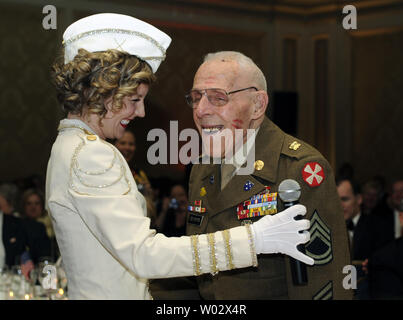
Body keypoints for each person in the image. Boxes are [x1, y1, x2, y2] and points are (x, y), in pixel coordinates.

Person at [46, 13, 313, 299]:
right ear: (103, 92)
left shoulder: (67, 146)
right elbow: (144, 255)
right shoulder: (92, 154)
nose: (141, 112)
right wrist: (254, 239)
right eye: (135, 99)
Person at [182, 51, 352, 299]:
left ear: (258, 105)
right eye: (196, 98)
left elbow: (323, 280)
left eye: (218, 98)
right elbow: (196, 269)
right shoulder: (201, 169)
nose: (201, 110)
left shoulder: (299, 169)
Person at [336, 178, 371, 299]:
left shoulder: (378, 226)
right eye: (336, 200)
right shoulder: (329, 229)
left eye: (345, 199)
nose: (340, 205)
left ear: (359, 199)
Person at [114, 130, 157, 228]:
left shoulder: (139, 174)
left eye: (131, 144)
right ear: (114, 145)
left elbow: (151, 212)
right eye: (123, 143)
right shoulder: (109, 171)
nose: (127, 147)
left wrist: (148, 195)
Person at [20, 189, 53, 263]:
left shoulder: (53, 224)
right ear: (24, 206)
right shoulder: (19, 225)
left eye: (37, 203)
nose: (33, 207)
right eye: (29, 203)